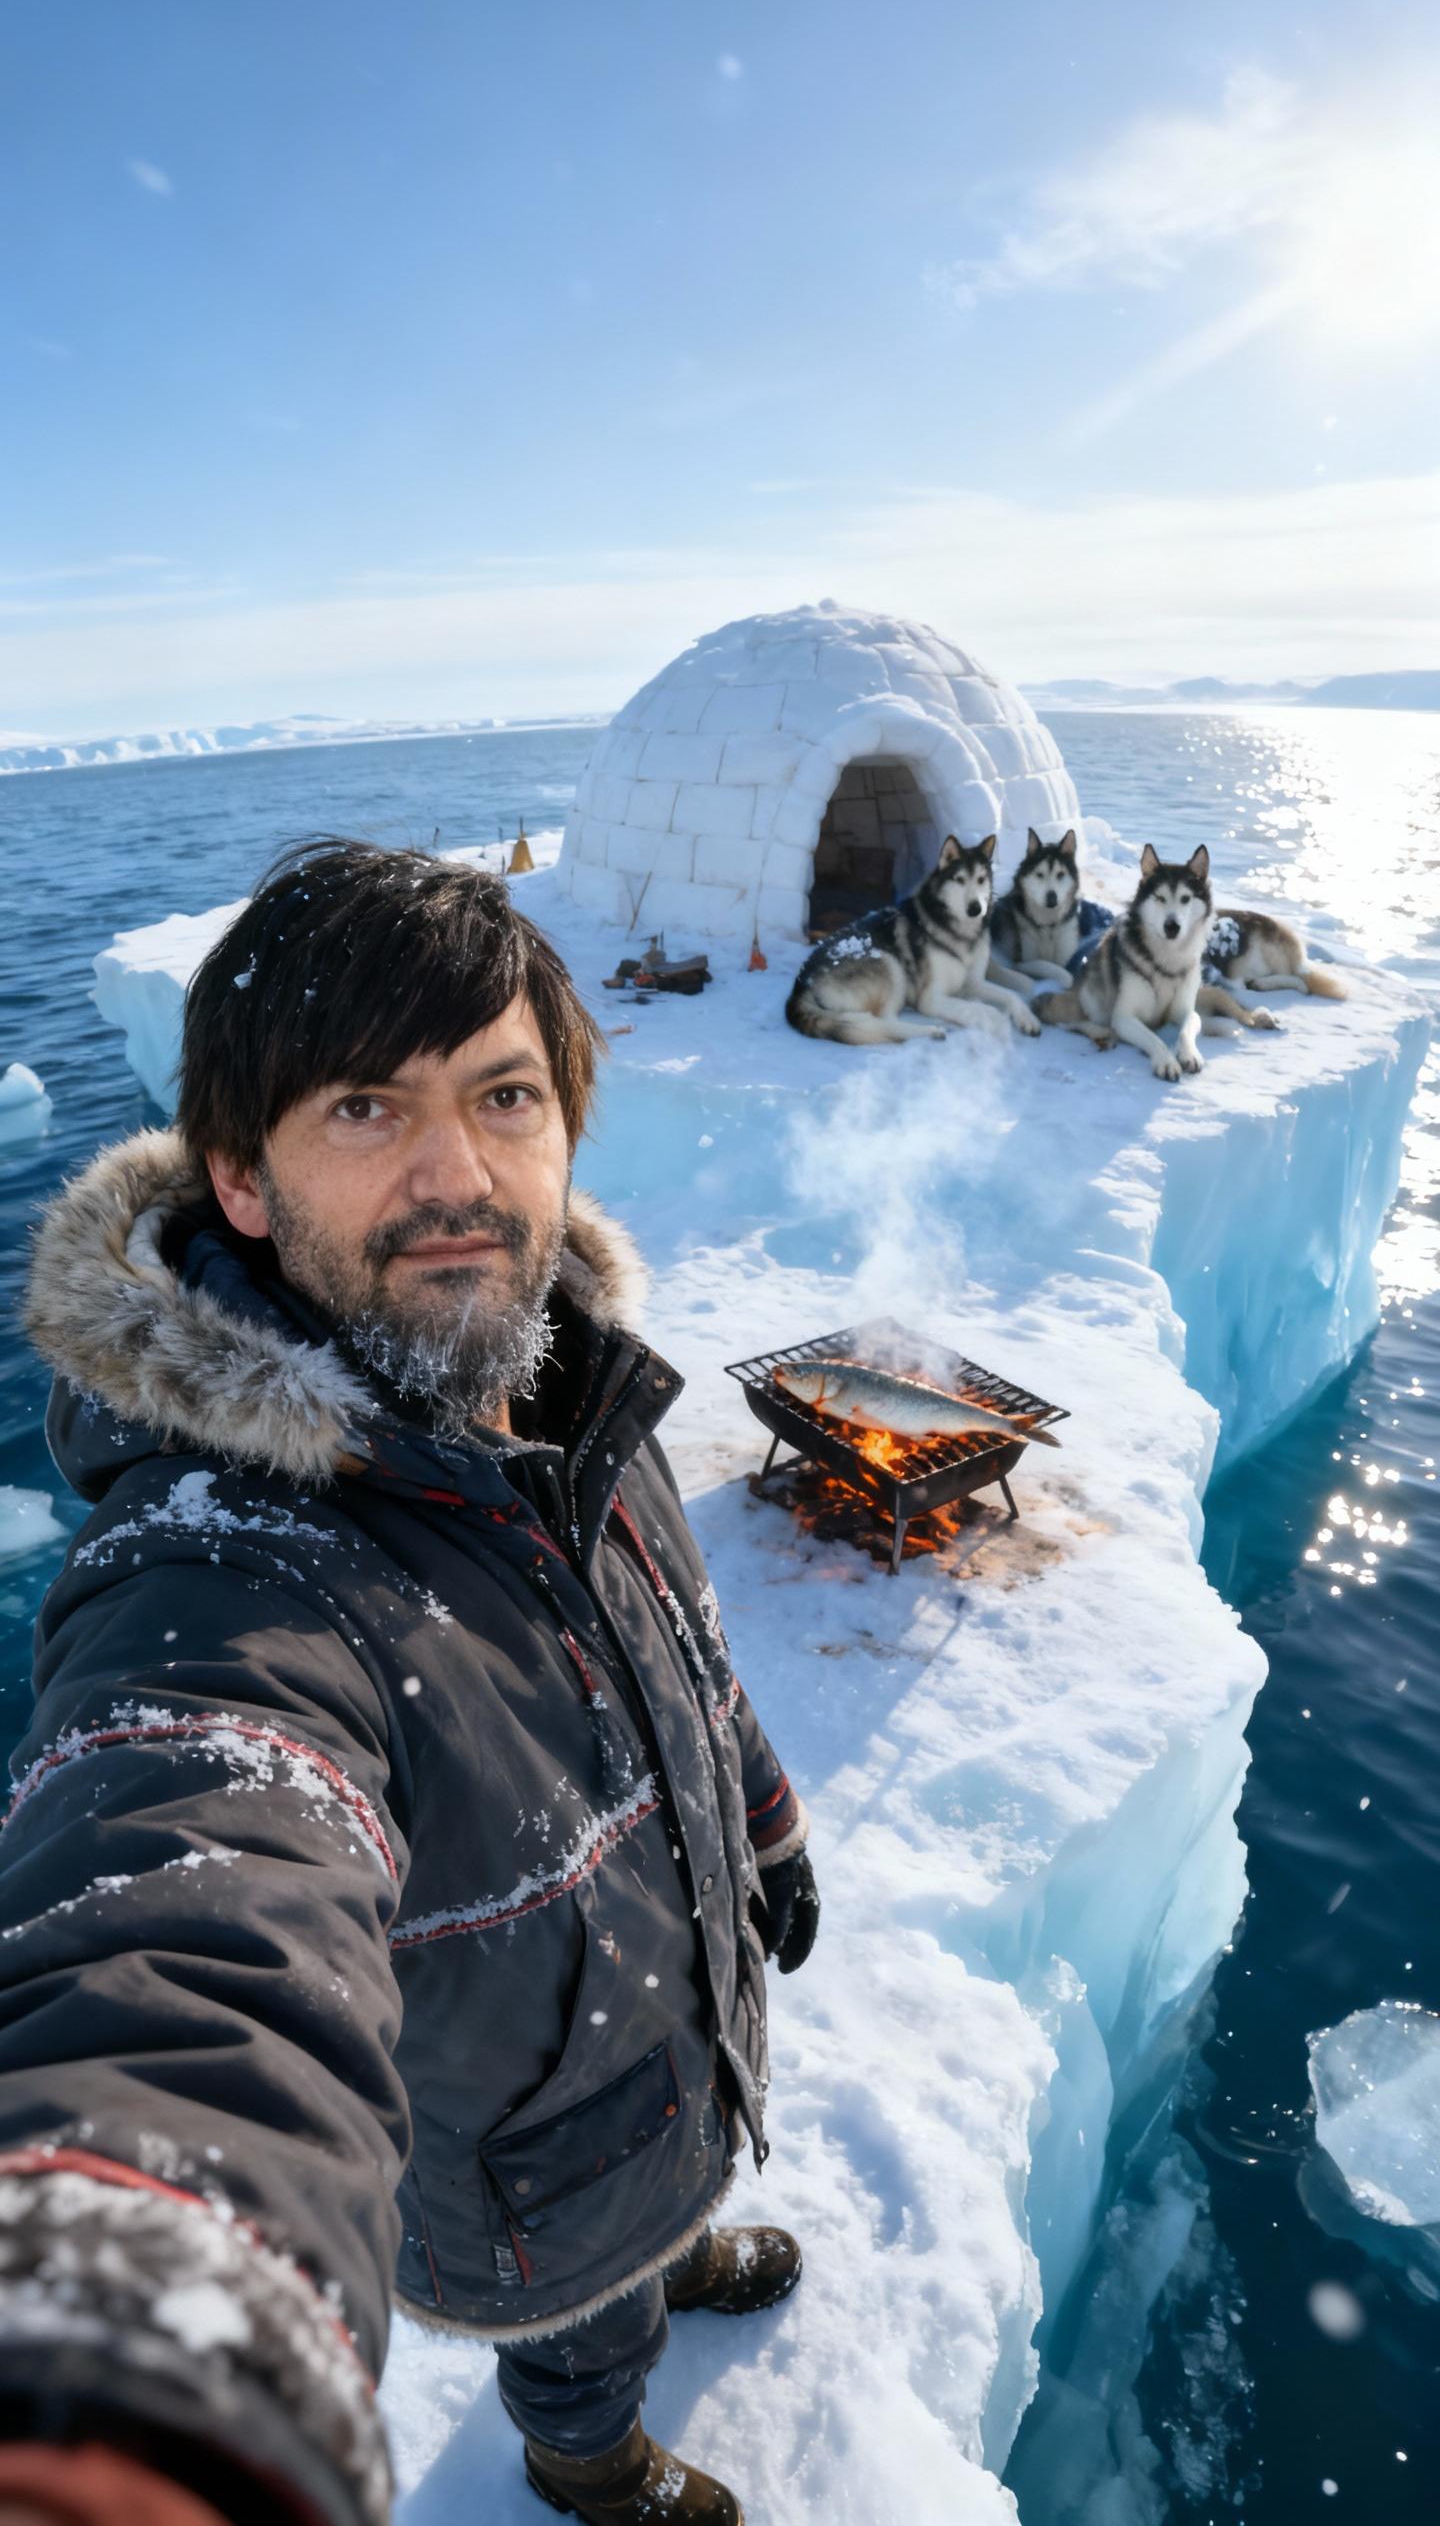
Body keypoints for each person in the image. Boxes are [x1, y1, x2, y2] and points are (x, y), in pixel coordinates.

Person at [0, 841, 820, 2526]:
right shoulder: (227, 1571)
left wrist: (767, 1823)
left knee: (662, 2219)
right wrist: (142, 2352)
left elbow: (685, 1649)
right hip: (529, 2173)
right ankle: (589, 2461)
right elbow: (195, 1903)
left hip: (679, 2041)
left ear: (565, 1126)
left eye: (503, 1096)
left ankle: (677, 2247)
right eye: (366, 1109)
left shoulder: (575, 1388)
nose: (458, 1172)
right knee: (583, 2336)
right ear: (241, 1179)